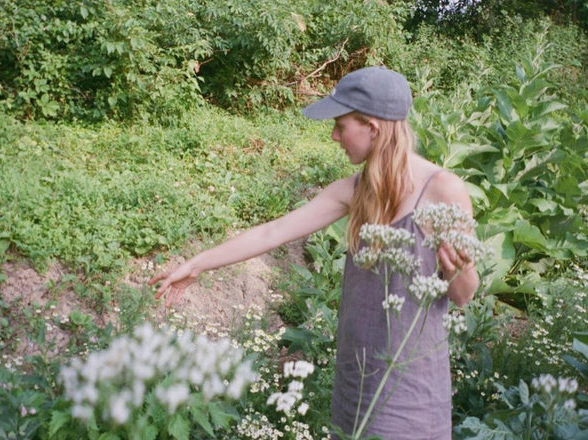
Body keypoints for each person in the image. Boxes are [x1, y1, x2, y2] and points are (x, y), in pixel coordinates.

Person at [149, 66, 479, 439]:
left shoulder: (443, 191)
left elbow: (464, 295)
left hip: (411, 387)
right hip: (356, 379)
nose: (334, 135)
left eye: (341, 125)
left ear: (372, 128)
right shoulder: (356, 189)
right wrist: (197, 264)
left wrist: (459, 270)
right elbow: (273, 232)